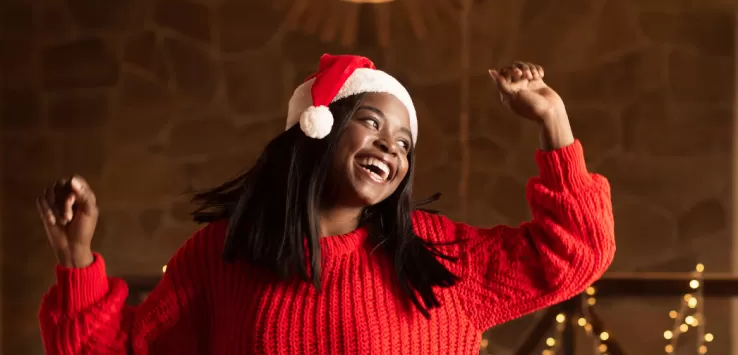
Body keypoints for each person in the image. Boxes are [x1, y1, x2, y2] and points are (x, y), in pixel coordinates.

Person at [37, 54, 615, 355]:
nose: (391, 144)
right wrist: (76, 258)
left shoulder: (432, 253)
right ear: (318, 129)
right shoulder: (223, 256)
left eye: (405, 142)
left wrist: (553, 121)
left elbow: (576, 253)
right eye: (370, 120)